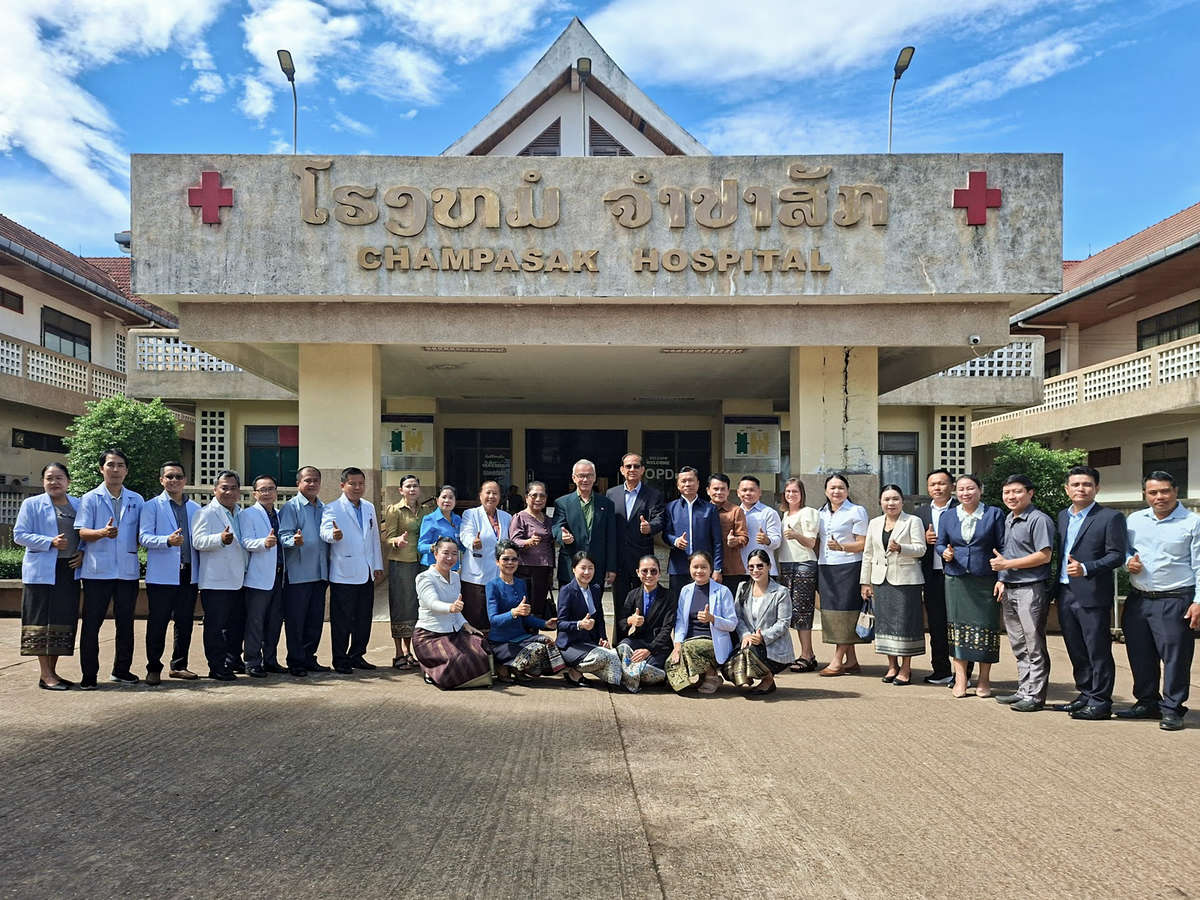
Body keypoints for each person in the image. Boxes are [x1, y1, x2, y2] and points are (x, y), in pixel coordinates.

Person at [1119, 471, 1200, 731]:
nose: (1159, 497)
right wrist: (1127, 563)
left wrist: (1198, 601)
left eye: (1165, 491)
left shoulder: (1192, 522)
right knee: (1140, 653)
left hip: (1175, 598)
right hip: (1139, 598)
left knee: (1175, 657)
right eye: (1153, 492)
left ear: (1176, 491)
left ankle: (1173, 708)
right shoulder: (1135, 520)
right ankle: (1147, 702)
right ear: (1145, 494)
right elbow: (1125, 551)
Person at [1051, 465, 1127, 721]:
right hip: (1065, 591)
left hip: (1092, 593)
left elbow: (1116, 555)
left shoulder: (1110, 517)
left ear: (1097, 488)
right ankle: (1085, 694)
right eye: (1075, 485)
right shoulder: (1063, 516)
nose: (1081, 489)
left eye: (1086, 484)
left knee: (1098, 649)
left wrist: (1086, 568)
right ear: (1067, 489)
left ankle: (1101, 701)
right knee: (1076, 648)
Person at [75, 448, 145, 689]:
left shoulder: (136, 499)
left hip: (126, 571)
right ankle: (89, 675)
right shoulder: (90, 498)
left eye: (120, 465)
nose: (115, 469)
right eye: (110, 465)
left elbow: (141, 533)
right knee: (91, 624)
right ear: (101, 469)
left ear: (126, 470)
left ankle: (121, 670)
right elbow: (82, 531)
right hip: (97, 572)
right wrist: (101, 533)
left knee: (125, 623)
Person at [936, 474, 1006, 699]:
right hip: (956, 579)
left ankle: (984, 679)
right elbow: (940, 543)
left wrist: (1002, 578)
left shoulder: (994, 514)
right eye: (961, 489)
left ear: (980, 490)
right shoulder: (948, 516)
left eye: (970, 488)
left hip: (986, 579)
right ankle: (960, 679)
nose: (965, 493)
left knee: (986, 629)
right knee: (957, 630)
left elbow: (1003, 547)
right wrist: (944, 553)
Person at [990, 474, 1056, 712]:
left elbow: (1044, 555)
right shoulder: (1009, 518)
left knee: (1033, 643)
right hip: (1010, 587)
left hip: (1031, 588)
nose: (1011, 496)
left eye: (1017, 491)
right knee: (1019, 643)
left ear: (1030, 493)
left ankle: (1036, 696)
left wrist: (1007, 566)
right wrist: (1002, 578)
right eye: (1007, 492)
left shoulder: (1039, 520)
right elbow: (1007, 553)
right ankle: (1024, 690)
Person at [14, 463, 83, 690]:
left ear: (68, 481)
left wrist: (82, 552)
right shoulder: (32, 504)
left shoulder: (78, 504)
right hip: (41, 571)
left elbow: (85, 534)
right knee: (41, 622)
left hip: (68, 569)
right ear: (43, 482)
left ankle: (53, 672)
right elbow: (19, 535)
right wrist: (49, 542)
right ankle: (45, 675)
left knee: (62, 621)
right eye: (49, 478)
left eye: (59, 477)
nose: (54, 482)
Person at [138, 460, 200, 684]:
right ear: (161, 480)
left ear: (185, 480)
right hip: (162, 576)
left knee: (184, 622)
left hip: (188, 573)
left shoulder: (195, 508)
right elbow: (143, 537)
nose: (174, 480)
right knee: (158, 622)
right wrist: (167, 541)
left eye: (178, 477)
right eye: (170, 476)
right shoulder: (152, 506)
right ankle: (153, 667)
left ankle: (179, 666)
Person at [860, 484, 926, 686]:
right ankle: (892, 666)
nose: (891, 503)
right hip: (881, 581)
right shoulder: (874, 523)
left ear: (902, 501)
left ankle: (906, 668)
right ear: (880, 502)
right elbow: (868, 554)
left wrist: (901, 548)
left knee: (905, 625)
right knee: (885, 624)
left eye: (895, 499)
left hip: (906, 581)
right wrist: (865, 582)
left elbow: (921, 549)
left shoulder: (912, 521)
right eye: (887, 499)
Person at [321, 466, 384, 674]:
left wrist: (377, 565)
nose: (357, 488)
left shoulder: (368, 507)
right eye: (352, 484)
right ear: (342, 485)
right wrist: (333, 536)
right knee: (342, 621)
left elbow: (374, 538)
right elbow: (324, 532)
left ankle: (357, 655)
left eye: (361, 484)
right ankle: (340, 659)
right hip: (343, 573)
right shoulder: (332, 508)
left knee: (363, 618)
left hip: (366, 571)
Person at [412, 536, 492, 689]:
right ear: (435, 554)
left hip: (452, 633)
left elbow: (457, 609)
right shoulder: (424, 577)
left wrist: (466, 624)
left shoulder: (455, 577)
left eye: (454, 554)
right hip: (429, 635)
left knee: (480, 648)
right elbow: (432, 603)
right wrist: (451, 608)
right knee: (457, 659)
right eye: (445, 553)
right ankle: (431, 671)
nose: (450, 558)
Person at [191, 470, 247, 681]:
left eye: (233, 488)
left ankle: (233, 659)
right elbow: (198, 541)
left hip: (239, 578)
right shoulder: (205, 513)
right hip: (216, 580)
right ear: (215, 490)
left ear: (239, 491)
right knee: (216, 626)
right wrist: (220, 539)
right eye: (224, 488)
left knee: (236, 624)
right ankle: (216, 665)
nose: (229, 492)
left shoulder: (242, 513)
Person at [277, 466, 331, 676]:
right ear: (298, 483)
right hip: (298, 574)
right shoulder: (291, 507)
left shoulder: (324, 507)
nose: (312, 484)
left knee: (315, 620)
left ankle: (309, 658)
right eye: (308, 480)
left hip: (320, 573)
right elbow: (282, 536)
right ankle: (296, 661)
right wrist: (294, 540)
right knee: (296, 621)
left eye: (316, 480)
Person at [816, 473, 869, 677]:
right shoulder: (820, 512)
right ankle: (852, 661)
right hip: (826, 567)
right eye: (832, 488)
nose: (836, 491)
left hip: (849, 567)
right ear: (825, 491)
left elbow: (863, 543)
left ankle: (837, 661)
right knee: (833, 614)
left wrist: (842, 547)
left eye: (841, 488)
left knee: (846, 614)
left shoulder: (856, 511)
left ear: (847, 491)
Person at [665, 551, 737, 694]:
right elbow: (680, 621)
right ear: (689, 568)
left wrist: (713, 619)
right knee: (671, 665)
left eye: (703, 567)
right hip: (688, 642)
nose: (699, 571)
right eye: (695, 567)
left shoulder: (723, 591)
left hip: (713, 642)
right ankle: (700, 677)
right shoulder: (685, 591)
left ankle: (711, 674)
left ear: (711, 569)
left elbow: (732, 623)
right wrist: (677, 645)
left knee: (689, 648)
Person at [606, 451, 665, 622]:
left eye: (636, 466)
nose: (632, 469)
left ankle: (643, 638)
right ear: (622, 470)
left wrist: (650, 527)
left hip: (642, 561)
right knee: (621, 606)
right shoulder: (611, 494)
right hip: (619, 561)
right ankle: (620, 638)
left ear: (643, 470)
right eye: (628, 466)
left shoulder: (653, 494)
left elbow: (660, 519)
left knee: (644, 606)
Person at [487, 540, 557, 681]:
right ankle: (503, 664)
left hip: (520, 638)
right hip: (501, 642)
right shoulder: (492, 585)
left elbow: (525, 617)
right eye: (505, 559)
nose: (510, 563)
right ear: (497, 562)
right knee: (536, 650)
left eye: (514, 559)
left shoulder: (521, 583)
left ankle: (516, 668)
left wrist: (545, 624)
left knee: (547, 643)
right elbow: (493, 620)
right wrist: (514, 612)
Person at [724, 548, 792, 695]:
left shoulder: (781, 592)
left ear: (769, 566)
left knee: (750, 653)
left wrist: (762, 637)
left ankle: (768, 679)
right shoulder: (743, 587)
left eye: (760, 566)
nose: (755, 570)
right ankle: (751, 675)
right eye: (751, 567)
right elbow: (737, 617)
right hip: (748, 642)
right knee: (728, 668)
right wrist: (746, 635)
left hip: (773, 646)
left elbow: (783, 623)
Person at [382, 474, 432, 669]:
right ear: (401, 490)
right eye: (408, 486)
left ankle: (409, 651)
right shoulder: (394, 510)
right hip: (402, 563)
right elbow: (387, 538)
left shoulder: (426, 510)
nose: (412, 489)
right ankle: (398, 653)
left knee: (416, 607)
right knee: (401, 606)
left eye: (415, 486)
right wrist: (397, 541)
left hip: (422, 563)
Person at [240, 475, 287, 678]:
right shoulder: (247, 515)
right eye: (262, 490)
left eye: (271, 489)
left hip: (279, 575)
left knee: (275, 621)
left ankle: (270, 660)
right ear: (255, 494)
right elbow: (245, 541)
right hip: (258, 577)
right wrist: (263, 543)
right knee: (256, 621)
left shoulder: (280, 514)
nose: (267, 493)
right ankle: (252, 661)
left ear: (276, 492)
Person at [915, 469, 957, 684]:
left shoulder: (961, 508)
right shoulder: (921, 513)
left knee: (959, 624)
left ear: (952, 486)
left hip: (958, 574)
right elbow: (912, 541)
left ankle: (963, 674)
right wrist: (923, 538)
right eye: (933, 484)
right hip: (932, 574)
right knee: (936, 624)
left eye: (942, 483)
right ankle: (941, 670)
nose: (937, 488)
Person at [555, 551, 622, 686]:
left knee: (616, 658)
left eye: (590, 568)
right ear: (574, 569)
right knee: (607, 658)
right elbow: (560, 623)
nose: (587, 572)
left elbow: (600, 619)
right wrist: (579, 624)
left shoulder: (595, 589)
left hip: (589, 642)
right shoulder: (566, 591)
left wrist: (603, 639)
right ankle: (571, 669)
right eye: (583, 568)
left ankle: (621, 681)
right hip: (570, 645)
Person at [551, 459, 618, 592]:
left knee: (594, 603)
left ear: (595, 478)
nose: (585, 479)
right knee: (568, 603)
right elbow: (556, 526)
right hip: (571, 565)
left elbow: (611, 537)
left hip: (596, 567)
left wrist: (611, 567)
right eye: (581, 476)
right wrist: (562, 536)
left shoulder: (607, 504)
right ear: (574, 478)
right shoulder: (562, 503)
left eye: (589, 475)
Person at [777, 477, 820, 672]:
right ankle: (804, 653)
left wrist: (796, 535)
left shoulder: (809, 512)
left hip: (804, 563)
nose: (791, 494)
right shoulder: (784, 514)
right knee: (791, 611)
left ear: (802, 494)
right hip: (786, 564)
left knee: (803, 610)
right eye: (788, 491)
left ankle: (807, 655)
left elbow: (811, 542)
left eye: (795, 491)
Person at [615, 554, 676, 693]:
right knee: (623, 646)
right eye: (644, 571)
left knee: (648, 670)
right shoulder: (633, 594)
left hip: (658, 646)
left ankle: (632, 674)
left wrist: (649, 650)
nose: (649, 575)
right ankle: (633, 674)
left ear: (659, 573)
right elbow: (621, 622)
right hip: (637, 642)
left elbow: (667, 629)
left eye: (653, 571)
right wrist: (630, 621)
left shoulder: (669, 596)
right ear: (638, 572)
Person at [459, 480, 513, 631]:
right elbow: (465, 534)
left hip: (498, 576)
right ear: (480, 495)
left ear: (500, 496)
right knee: (475, 619)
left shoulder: (506, 517)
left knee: (494, 619)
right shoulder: (471, 514)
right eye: (488, 492)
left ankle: (493, 646)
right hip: (476, 577)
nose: (491, 496)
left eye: (495, 493)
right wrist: (472, 542)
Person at [664, 467, 723, 601]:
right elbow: (665, 534)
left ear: (698, 483)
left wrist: (717, 568)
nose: (687, 484)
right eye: (683, 481)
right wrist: (675, 541)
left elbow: (717, 542)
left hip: (703, 567)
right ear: (678, 485)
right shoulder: (670, 508)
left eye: (691, 480)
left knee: (704, 603)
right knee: (678, 604)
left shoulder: (710, 509)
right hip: (679, 567)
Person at [509, 481, 555, 619]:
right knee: (526, 608)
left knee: (539, 608)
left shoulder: (548, 520)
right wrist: (528, 542)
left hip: (544, 570)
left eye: (542, 496)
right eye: (534, 495)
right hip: (526, 570)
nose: (538, 499)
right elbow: (513, 541)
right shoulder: (520, 517)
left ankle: (536, 632)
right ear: (526, 497)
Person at [707, 473, 747, 595]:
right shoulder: (702, 510)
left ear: (728, 491)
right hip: (706, 568)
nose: (719, 492)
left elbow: (744, 538)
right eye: (715, 489)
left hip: (730, 570)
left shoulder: (736, 511)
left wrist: (735, 541)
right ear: (708, 490)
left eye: (723, 489)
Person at [736, 475, 783, 578]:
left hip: (763, 571)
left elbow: (777, 541)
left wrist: (767, 540)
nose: (748, 493)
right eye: (744, 490)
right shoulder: (734, 513)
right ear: (738, 493)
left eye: (752, 490)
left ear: (759, 492)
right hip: (739, 570)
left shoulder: (769, 513)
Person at [418, 486, 462, 566]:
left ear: (455, 501)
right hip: (433, 565)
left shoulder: (458, 519)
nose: (447, 500)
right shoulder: (429, 519)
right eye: (444, 497)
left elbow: (461, 544)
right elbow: (421, 547)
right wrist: (433, 547)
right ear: (437, 500)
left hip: (452, 566)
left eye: (451, 498)